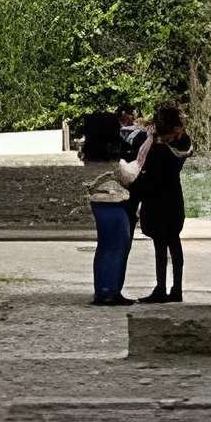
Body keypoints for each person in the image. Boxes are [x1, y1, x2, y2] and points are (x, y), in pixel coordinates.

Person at [129, 102, 193, 303]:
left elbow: (148, 171)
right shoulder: (182, 143)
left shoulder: (156, 146)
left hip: (156, 198)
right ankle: (177, 289)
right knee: (174, 241)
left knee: (160, 245)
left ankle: (160, 287)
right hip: (174, 195)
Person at [77, 104, 139, 305]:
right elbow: (128, 176)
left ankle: (101, 289)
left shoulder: (90, 156)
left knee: (103, 247)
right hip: (114, 204)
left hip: (98, 204)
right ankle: (111, 290)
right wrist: (141, 159)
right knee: (117, 245)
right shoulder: (112, 160)